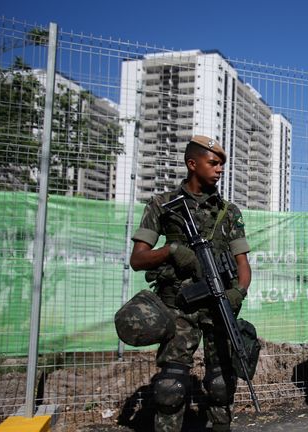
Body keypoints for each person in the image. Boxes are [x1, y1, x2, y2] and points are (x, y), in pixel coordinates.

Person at [129, 135, 252, 432]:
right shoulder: (162, 205)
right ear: (192, 164)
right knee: (170, 388)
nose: (220, 169)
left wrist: (239, 291)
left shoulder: (229, 212)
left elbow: (243, 264)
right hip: (178, 307)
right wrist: (170, 251)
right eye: (213, 163)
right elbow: (137, 259)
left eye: (222, 163)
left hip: (218, 308)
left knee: (221, 384)